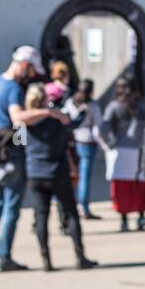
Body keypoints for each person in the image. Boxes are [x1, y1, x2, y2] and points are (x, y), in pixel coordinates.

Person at [0, 44, 53, 272]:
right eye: (31, 70)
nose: (32, 75)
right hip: (11, 155)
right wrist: (47, 113)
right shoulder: (14, 89)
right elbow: (19, 119)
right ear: (24, 66)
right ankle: (5, 257)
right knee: (11, 208)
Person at [23, 83, 97, 271]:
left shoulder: (23, 123)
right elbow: (71, 127)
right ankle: (80, 256)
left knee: (41, 216)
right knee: (71, 212)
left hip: (36, 172)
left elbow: (18, 143)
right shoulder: (56, 119)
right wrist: (81, 112)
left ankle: (46, 259)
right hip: (58, 170)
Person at [100, 76, 145, 231]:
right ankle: (141, 217)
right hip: (139, 150)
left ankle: (124, 219)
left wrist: (110, 143)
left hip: (121, 151)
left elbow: (103, 127)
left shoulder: (114, 106)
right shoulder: (142, 106)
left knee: (122, 188)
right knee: (140, 186)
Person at [63, 79, 107, 220]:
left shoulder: (70, 102)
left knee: (75, 176)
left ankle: (72, 206)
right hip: (87, 142)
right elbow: (97, 127)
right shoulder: (92, 106)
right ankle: (83, 208)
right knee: (84, 178)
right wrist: (103, 145)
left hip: (74, 142)